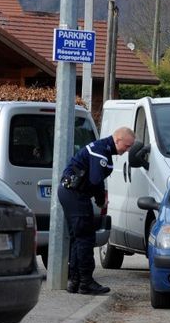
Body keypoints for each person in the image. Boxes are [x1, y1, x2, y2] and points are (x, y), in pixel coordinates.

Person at [58, 126, 135, 295]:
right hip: (75, 193)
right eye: (127, 146)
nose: (127, 151)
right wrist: (101, 200)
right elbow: (95, 180)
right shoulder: (101, 151)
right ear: (118, 140)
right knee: (85, 237)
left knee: (78, 238)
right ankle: (86, 282)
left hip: (72, 192)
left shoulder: (103, 149)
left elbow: (95, 178)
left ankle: (75, 282)